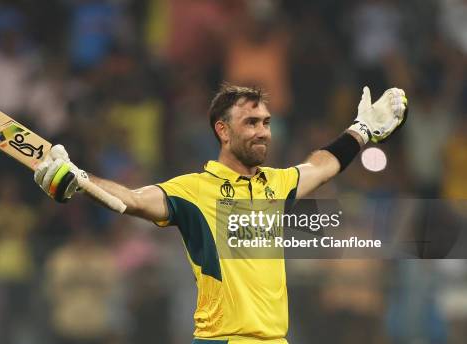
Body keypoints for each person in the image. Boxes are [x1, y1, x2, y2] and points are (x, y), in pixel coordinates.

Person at [34, 83, 407, 343]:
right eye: (251, 123)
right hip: (224, 341)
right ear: (223, 131)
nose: (263, 132)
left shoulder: (276, 185)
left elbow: (322, 165)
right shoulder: (194, 190)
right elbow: (132, 198)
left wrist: (360, 132)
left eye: (266, 123)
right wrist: (82, 180)